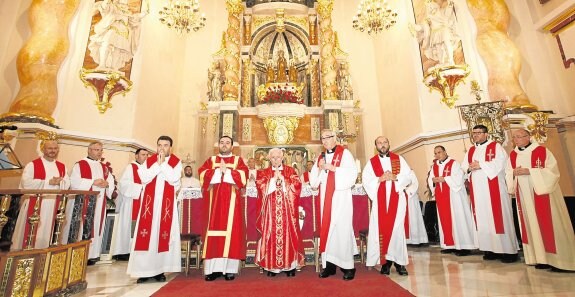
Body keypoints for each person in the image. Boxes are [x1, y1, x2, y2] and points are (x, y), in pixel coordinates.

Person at [505, 128, 575, 271]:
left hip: (544, 196)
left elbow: (553, 172)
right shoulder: (513, 155)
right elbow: (508, 173)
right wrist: (513, 173)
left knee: (551, 225)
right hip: (525, 198)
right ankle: (540, 258)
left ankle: (561, 261)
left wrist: (530, 171)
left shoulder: (542, 151)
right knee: (532, 225)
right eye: (514, 137)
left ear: (528, 137)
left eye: (519, 136)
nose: (516, 140)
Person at [127, 136, 182, 283]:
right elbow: (144, 177)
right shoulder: (149, 161)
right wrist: (158, 165)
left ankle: (160, 270)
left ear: (171, 147)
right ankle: (143, 271)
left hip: (166, 206)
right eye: (159, 145)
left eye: (165, 145)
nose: (162, 148)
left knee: (162, 236)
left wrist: (162, 164)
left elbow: (174, 178)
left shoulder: (176, 162)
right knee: (147, 237)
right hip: (149, 206)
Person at [461, 125, 519, 263]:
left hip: (495, 190)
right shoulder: (471, 150)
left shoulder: (496, 147)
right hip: (477, 191)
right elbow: (463, 167)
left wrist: (481, 165)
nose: (475, 135)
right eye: (473, 133)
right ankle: (490, 249)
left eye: (478, 133)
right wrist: (469, 168)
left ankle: (508, 251)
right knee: (483, 219)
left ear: (486, 134)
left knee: (500, 218)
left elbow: (501, 163)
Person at [309, 129, 358, 281]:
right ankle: (329, 267)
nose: (324, 141)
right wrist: (320, 169)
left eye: (327, 137)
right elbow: (314, 183)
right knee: (328, 231)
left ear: (334, 138)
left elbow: (352, 174)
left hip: (341, 198)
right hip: (326, 200)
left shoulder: (345, 154)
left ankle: (348, 267)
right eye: (322, 138)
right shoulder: (320, 157)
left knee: (342, 230)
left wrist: (333, 168)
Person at [198, 136, 249, 281]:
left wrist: (226, 172)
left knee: (232, 233)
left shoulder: (238, 160)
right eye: (222, 143)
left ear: (232, 146)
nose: (224, 145)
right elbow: (202, 173)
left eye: (227, 143)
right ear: (218, 145)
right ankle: (212, 270)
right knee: (212, 233)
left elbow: (243, 176)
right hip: (213, 205)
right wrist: (216, 172)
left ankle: (230, 270)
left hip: (232, 204)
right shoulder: (211, 160)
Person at [362, 136, 411, 276]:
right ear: (375, 146)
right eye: (379, 143)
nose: (382, 145)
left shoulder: (399, 159)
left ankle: (400, 263)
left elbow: (408, 176)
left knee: (397, 230)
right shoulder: (372, 163)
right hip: (380, 201)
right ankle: (385, 263)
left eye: (385, 142)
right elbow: (366, 180)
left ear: (389, 144)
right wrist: (380, 178)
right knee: (381, 229)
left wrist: (396, 177)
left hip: (397, 199)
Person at [255, 148, 305, 277]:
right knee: (271, 234)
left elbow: (297, 186)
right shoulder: (264, 172)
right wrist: (272, 181)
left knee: (288, 234)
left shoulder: (290, 171)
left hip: (287, 211)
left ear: (282, 158)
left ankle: (290, 266)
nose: (276, 160)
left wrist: (283, 180)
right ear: (269, 159)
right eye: (273, 157)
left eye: (278, 157)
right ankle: (271, 267)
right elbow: (260, 186)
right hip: (270, 212)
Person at [13, 139, 70, 250]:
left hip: (53, 203)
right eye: (50, 148)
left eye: (55, 148)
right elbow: (26, 183)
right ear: (43, 149)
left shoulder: (62, 166)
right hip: (35, 203)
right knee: (31, 230)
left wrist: (61, 181)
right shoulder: (33, 165)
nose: (53, 151)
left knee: (47, 231)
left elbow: (67, 183)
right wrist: (48, 182)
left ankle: (43, 252)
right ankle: (26, 253)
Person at [69, 141, 116, 265]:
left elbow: (110, 181)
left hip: (100, 202)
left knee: (96, 225)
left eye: (101, 150)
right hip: (85, 201)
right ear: (89, 150)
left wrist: (107, 184)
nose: (99, 152)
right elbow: (74, 182)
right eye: (96, 150)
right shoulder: (80, 165)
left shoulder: (104, 167)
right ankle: (80, 253)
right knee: (84, 225)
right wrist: (92, 182)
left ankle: (93, 255)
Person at [428, 145, 476, 256]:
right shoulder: (434, 166)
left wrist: (445, 179)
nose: (437, 155)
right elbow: (431, 179)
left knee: (458, 219)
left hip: (455, 198)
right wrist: (434, 181)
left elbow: (459, 178)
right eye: (435, 153)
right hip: (441, 197)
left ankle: (464, 246)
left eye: (439, 152)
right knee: (445, 220)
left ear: (445, 152)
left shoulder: (453, 163)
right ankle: (450, 245)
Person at [88, 0, 148, 71]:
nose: (124, 4)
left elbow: (134, 19)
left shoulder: (127, 13)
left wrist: (144, 13)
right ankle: (102, 64)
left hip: (123, 32)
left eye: (125, 3)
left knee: (118, 49)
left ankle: (114, 68)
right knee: (106, 43)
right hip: (112, 28)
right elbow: (105, 8)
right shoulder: (113, 7)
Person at [111, 148, 148, 261]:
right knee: (127, 226)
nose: (145, 157)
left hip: (142, 202)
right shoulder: (130, 167)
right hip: (130, 203)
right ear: (136, 156)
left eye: (147, 155)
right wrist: (140, 187)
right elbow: (123, 184)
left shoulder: (147, 169)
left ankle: (136, 250)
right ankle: (123, 251)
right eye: (143, 154)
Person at [419, 0, 460, 66]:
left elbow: (447, 15)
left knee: (447, 43)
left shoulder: (445, 4)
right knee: (438, 46)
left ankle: (451, 60)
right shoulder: (429, 5)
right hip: (435, 29)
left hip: (443, 27)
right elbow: (428, 17)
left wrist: (449, 6)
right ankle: (441, 62)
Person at [404, 170, 429, 245]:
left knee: (413, 217)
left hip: (410, 198)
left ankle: (417, 239)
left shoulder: (410, 171)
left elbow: (415, 184)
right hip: (401, 198)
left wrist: (406, 190)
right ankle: (406, 240)